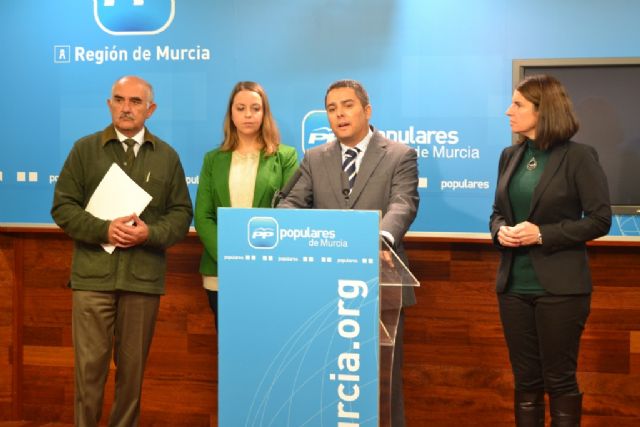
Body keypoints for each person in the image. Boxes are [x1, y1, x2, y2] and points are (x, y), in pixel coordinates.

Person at [51, 76, 193, 427]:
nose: (126, 107)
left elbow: (180, 214)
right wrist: (104, 229)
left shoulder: (167, 157)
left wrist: (149, 233)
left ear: (151, 109)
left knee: (132, 376)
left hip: (142, 281)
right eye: (119, 99)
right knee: (89, 371)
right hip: (91, 279)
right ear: (109, 103)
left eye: (135, 101)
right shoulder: (84, 149)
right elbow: (63, 207)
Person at [278, 79, 419, 427]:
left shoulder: (400, 155)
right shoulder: (314, 158)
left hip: (381, 284)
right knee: (326, 380)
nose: (339, 114)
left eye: (347, 105)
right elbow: (291, 203)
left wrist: (381, 239)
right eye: (331, 108)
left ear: (367, 110)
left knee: (383, 385)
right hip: (325, 289)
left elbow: (403, 203)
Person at [490, 74, 611, 427]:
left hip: (561, 290)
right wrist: (501, 233)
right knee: (525, 382)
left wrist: (542, 234)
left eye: (518, 105)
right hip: (512, 287)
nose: (508, 111)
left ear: (544, 112)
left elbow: (600, 220)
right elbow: (497, 213)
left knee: (559, 381)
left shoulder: (579, 157)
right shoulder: (509, 156)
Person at [194, 81, 298, 328]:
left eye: (255, 108)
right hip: (221, 272)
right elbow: (203, 216)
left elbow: (292, 213)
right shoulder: (213, 159)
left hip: (269, 271)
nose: (248, 115)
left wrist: (256, 261)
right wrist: (231, 258)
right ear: (231, 113)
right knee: (230, 349)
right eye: (240, 108)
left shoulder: (286, 157)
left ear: (265, 113)